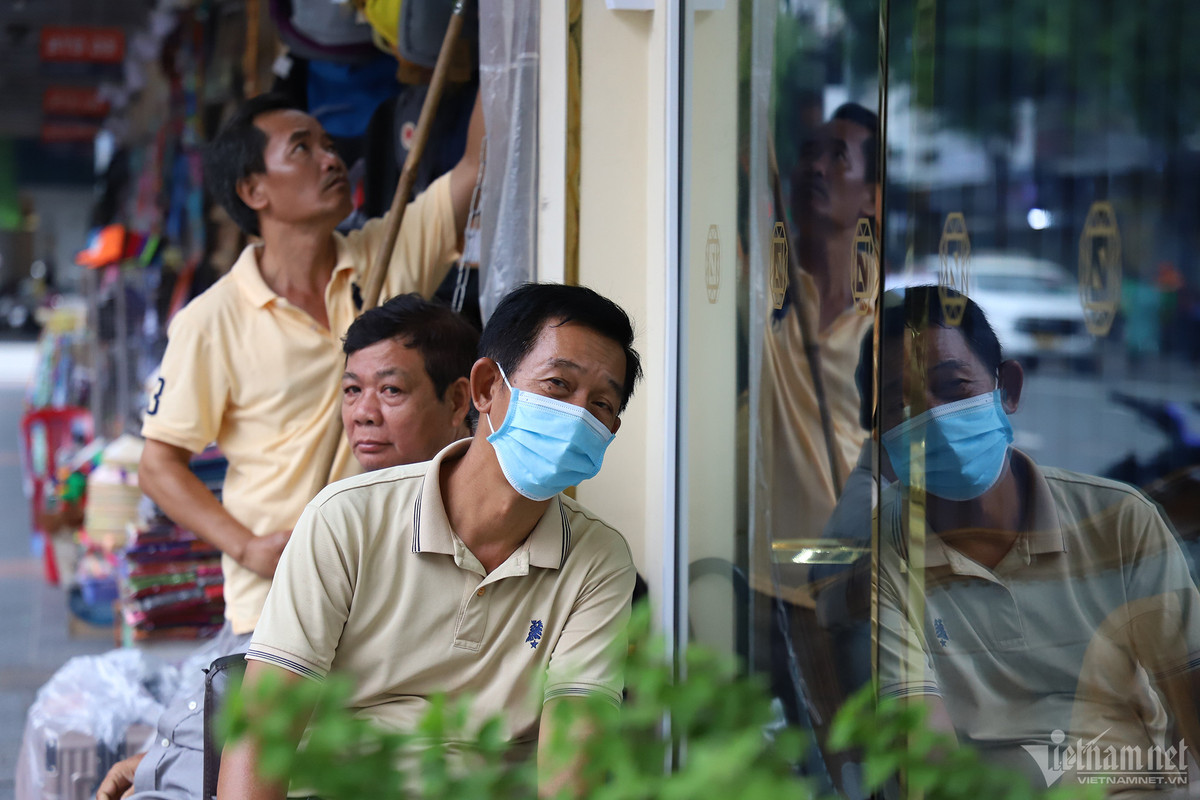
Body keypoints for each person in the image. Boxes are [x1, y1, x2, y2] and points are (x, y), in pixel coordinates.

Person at [96, 91, 484, 800]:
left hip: (395, 595)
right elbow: (158, 463)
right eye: (301, 148)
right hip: (272, 608)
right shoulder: (212, 319)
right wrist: (245, 546)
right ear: (253, 190)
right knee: (244, 778)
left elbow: (477, 165)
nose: (332, 157)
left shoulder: (384, 251)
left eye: (328, 144)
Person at [218, 283, 642, 799]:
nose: (578, 416)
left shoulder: (598, 561)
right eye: (557, 385)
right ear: (486, 387)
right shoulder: (346, 520)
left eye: (601, 403)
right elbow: (263, 732)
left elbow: (572, 758)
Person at [875, 285, 1200, 793]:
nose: (932, 420)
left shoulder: (1119, 522)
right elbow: (926, 757)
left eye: (953, 387)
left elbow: (1191, 695)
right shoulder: (886, 551)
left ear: (1008, 389)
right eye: (901, 405)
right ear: (882, 440)